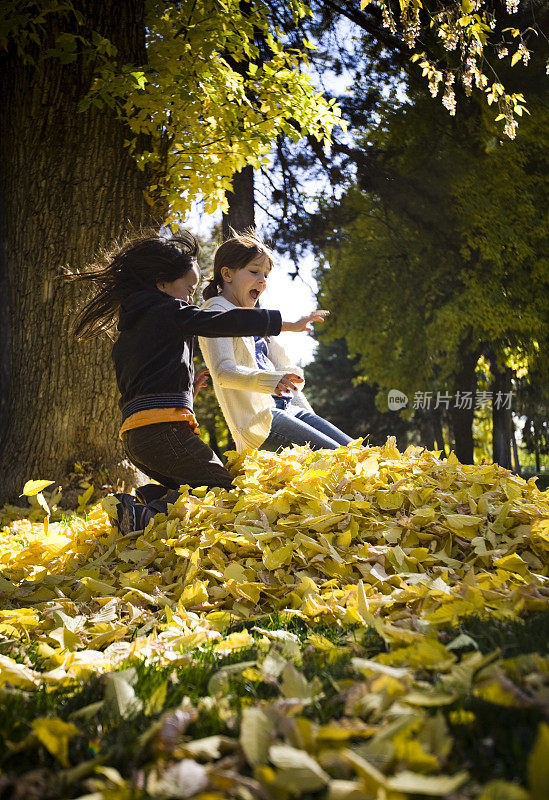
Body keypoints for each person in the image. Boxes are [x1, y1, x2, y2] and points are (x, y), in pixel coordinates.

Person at [70, 230, 324, 532]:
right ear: (162, 284)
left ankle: (147, 501)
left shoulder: (131, 332)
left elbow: (138, 384)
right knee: (224, 490)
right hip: (164, 433)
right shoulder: (168, 310)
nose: (192, 299)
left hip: (136, 439)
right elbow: (220, 322)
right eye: (188, 290)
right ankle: (145, 512)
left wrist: (186, 391)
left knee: (192, 486)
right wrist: (285, 323)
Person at [198, 231, 356, 453]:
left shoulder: (256, 317)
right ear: (227, 274)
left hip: (290, 407)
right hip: (261, 421)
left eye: (266, 275)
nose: (262, 280)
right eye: (254, 271)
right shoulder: (215, 312)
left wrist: (290, 379)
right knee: (340, 459)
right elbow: (223, 372)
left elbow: (283, 367)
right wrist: (273, 380)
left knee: (357, 452)